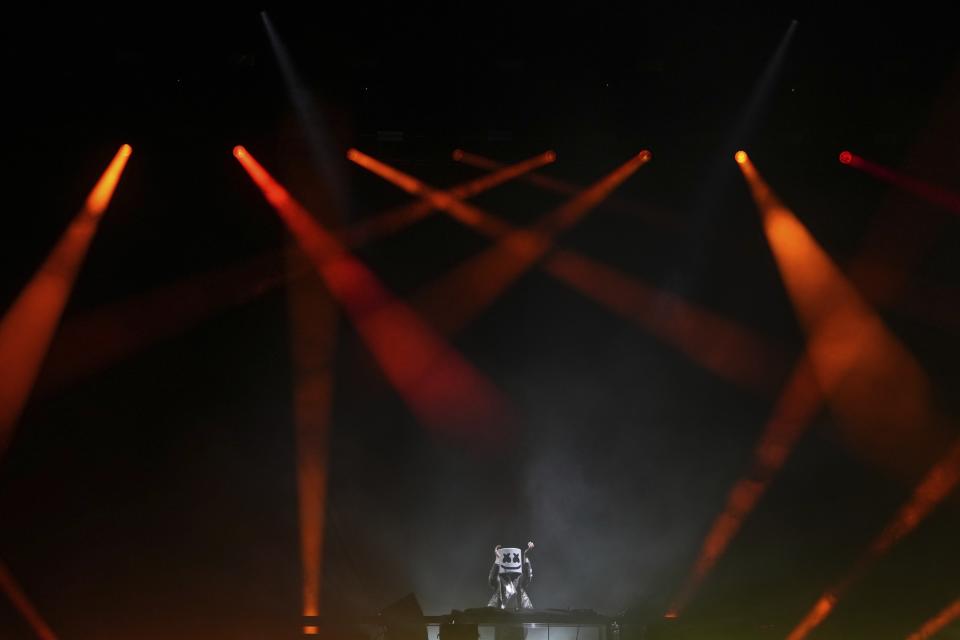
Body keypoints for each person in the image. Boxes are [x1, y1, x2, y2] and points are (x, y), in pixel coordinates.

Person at [487, 541, 534, 610]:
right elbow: (492, 579)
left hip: (520, 614)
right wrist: (497, 560)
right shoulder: (500, 579)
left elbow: (528, 576)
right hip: (499, 615)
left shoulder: (520, 578)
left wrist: (526, 556)